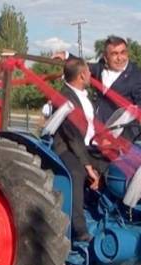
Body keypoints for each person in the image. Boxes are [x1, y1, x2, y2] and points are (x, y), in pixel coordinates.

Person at [53, 58, 107, 242]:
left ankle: (105, 215)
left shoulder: (85, 95)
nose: (92, 75)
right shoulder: (64, 98)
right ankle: (78, 228)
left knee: (112, 168)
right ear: (82, 75)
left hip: (88, 145)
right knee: (77, 173)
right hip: (66, 147)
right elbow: (72, 136)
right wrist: (87, 165)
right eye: (89, 72)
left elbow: (91, 126)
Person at [57, 36, 141, 124]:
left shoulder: (137, 76)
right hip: (95, 129)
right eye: (114, 54)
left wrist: (118, 134)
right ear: (105, 57)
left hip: (120, 135)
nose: (120, 58)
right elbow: (82, 66)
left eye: (123, 52)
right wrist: (66, 55)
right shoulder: (99, 68)